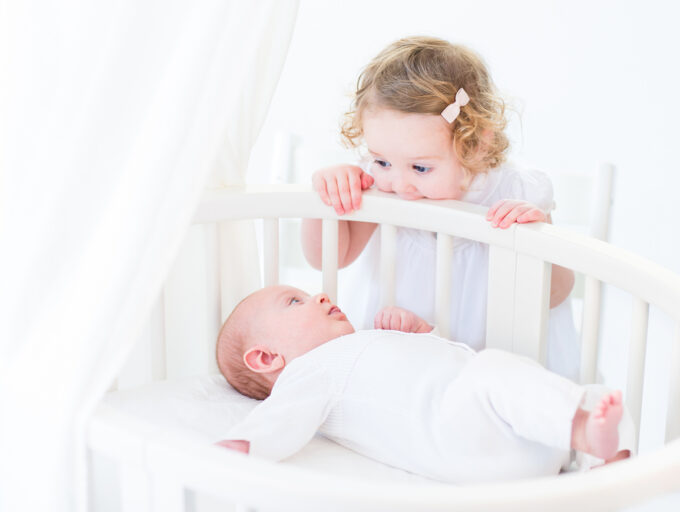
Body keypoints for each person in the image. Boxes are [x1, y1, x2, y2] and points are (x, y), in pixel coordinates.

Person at [301, 36, 580, 381]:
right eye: (382, 160)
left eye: (420, 168)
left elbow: (557, 293)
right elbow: (328, 257)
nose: (400, 184)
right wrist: (325, 197)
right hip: (399, 360)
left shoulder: (518, 190)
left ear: (475, 145)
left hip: (494, 362)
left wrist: (534, 237)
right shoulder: (376, 184)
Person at [215, 285, 629, 483]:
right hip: (469, 441)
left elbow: (435, 361)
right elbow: (281, 418)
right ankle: (583, 434)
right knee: (493, 370)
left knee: (587, 392)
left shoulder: (357, 346)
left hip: (519, 434)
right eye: (294, 302)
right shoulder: (309, 372)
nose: (319, 296)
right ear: (268, 359)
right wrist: (242, 447)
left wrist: (418, 331)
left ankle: (600, 465)